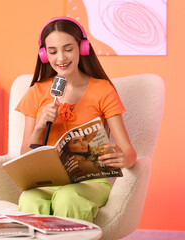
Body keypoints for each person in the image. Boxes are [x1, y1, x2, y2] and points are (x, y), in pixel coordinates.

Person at [15, 17, 137, 222]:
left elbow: (129, 152)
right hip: (47, 183)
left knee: (67, 197)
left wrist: (123, 158)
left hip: (89, 183)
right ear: (44, 55)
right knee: (30, 199)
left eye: (68, 49)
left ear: (83, 47)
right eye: (53, 51)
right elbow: (24, 156)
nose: (61, 58)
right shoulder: (36, 92)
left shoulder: (103, 90)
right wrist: (39, 124)